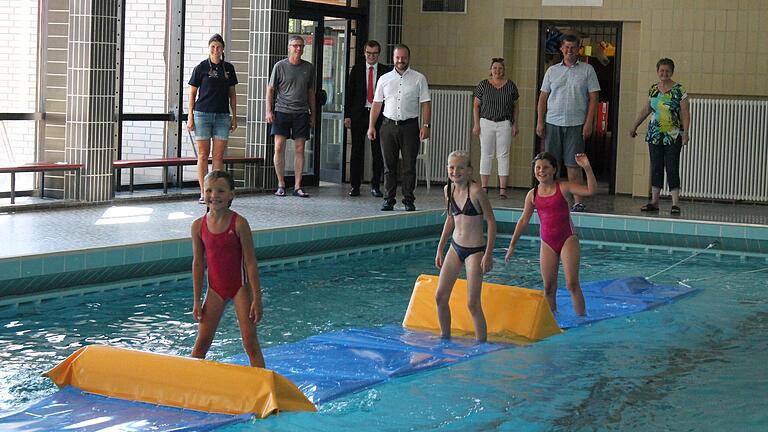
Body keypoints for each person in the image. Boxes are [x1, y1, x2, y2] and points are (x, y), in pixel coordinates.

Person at [504, 152, 596, 316]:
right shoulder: (532, 194)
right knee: (548, 287)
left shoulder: (563, 187)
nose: (541, 170)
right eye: (538, 167)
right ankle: (552, 321)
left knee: (572, 284)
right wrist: (512, 245)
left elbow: (591, 190)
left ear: (554, 170)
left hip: (567, 239)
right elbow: (523, 220)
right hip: (547, 242)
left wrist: (587, 168)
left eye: (545, 167)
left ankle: (582, 320)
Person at [191, 170, 265, 367]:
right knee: (200, 346)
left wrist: (257, 298)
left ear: (232, 194)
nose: (214, 195)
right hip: (215, 290)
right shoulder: (198, 226)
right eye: (209, 190)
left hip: (240, 288)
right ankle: (189, 389)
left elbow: (250, 262)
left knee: (250, 343)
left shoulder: (239, 223)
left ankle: (263, 391)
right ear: (203, 192)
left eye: (220, 191)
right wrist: (197, 300)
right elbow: (198, 264)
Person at [434, 150, 496, 342]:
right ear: (447, 169)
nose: (455, 171)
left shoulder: (476, 192)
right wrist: (440, 247)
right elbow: (451, 219)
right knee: (440, 297)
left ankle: (481, 345)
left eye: (460, 167)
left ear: (469, 171)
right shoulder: (448, 190)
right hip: (455, 246)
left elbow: (492, 222)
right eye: (452, 167)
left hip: (474, 251)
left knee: (472, 303)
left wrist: (488, 254)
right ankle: (445, 338)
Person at [536, 34, 600, 212]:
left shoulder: (587, 70)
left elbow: (594, 98)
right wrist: (540, 121)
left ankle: (577, 201)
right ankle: (550, 199)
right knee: (549, 164)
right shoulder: (552, 71)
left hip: (576, 123)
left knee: (574, 164)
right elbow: (543, 97)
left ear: (578, 49)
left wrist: (589, 123)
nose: (569, 51)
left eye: (573, 47)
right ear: (561, 49)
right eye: (566, 47)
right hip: (552, 122)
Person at [368, 44, 431, 212]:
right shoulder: (384, 79)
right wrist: (371, 126)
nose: (400, 60)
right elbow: (376, 104)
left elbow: (426, 103)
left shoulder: (419, 78)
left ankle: (408, 200)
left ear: (408, 58)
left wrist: (426, 125)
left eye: (403, 57)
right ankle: (389, 199)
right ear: (393, 58)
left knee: (409, 166)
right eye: (397, 57)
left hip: (410, 126)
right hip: (388, 126)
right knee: (389, 165)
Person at [630, 58, 690, 215]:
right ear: (657, 72)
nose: (664, 73)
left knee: (672, 167)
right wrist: (635, 125)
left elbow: (685, 113)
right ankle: (654, 201)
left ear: (672, 72)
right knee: (656, 167)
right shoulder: (653, 90)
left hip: (673, 135)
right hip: (655, 135)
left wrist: (686, 133)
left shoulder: (679, 90)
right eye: (661, 71)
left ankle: (675, 203)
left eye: (667, 70)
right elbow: (646, 110)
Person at [187, 34, 238, 205]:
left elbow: (232, 94)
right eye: (213, 47)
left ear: (223, 49)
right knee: (202, 155)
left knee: (218, 156)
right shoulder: (201, 68)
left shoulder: (228, 68)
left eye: (218, 47)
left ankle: (217, 192)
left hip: (223, 116)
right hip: (202, 115)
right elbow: (192, 93)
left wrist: (234, 116)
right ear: (209, 49)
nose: (216, 50)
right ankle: (204, 192)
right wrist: (190, 117)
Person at [266, 35, 316, 198]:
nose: (298, 49)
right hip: (282, 111)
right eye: (295, 46)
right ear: (289, 47)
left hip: (301, 112)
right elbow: (270, 89)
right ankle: (281, 183)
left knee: (300, 148)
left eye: (301, 46)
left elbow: (310, 92)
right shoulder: (280, 66)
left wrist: (312, 114)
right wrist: (269, 111)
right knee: (279, 146)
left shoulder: (308, 67)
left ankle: (297, 186)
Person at [344, 40, 392, 198]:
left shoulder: (386, 71)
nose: (371, 56)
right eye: (369, 53)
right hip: (359, 114)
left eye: (375, 54)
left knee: (378, 151)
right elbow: (349, 93)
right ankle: (355, 186)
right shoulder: (357, 70)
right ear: (364, 53)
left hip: (378, 114)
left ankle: (375, 186)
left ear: (379, 54)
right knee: (357, 151)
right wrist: (347, 115)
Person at [472, 58, 519, 199]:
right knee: (486, 154)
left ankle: (503, 190)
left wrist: (515, 123)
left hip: (504, 123)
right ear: (490, 70)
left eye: (500, 68)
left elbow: (516, 106)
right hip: (486, 122)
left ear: (504, 70)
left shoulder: (510, 86)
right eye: (495, 68)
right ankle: (484, 188)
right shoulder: (483, 85)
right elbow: (476, 105)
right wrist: (476, 124)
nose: (497, 71)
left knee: (503, 156)